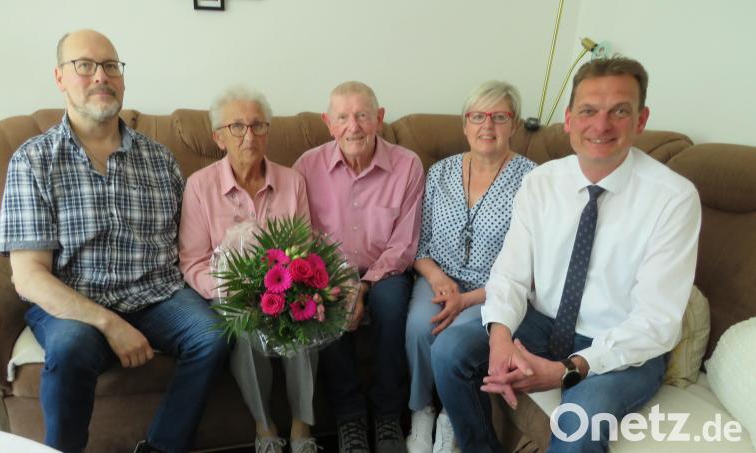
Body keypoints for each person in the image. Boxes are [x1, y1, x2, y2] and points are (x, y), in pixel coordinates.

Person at [432, 57, 701, 453]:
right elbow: (510, 274)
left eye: (619, 111)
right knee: (449, 352)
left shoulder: (674, 199)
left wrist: (567, 370)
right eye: (588, 111)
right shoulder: (541, 182)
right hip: (543, 321)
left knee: (579, 423)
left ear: (641, 120)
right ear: (569, 119)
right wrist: (500, 338)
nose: (601, 125)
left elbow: (656, 321)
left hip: (621, 343)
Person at [0, 30, 231, 453]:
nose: (101, 76)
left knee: (214, 334)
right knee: (70, 348)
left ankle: (162, 446)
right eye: (84, 66)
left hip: (156, 294)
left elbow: (193, 243)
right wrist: (110, 324)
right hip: (73, 300)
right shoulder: (32, 160)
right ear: (60, 77)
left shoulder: (159, 160)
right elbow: (29, 277)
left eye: (110, 66)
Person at [178, 85, 319, 453]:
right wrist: (229, 289)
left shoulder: (292, 182)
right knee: (242, 326)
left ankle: (302, 426)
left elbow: (304, 248)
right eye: (237, 126)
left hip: (284, 286)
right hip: (231, 290)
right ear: (218, 137)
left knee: (303, 318)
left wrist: (289, 286)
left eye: (258, 125)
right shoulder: (200, 186)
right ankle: (265, 425)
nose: (249, 136)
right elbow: (192, 261)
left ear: (268, 131)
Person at [404, 81, 536, 453]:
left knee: (456, 338)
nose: (487, 126)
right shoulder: (440, 172)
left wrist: (468, 299)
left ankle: (451, 415)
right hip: (439, 276)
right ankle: (421, 410)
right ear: (465, 124)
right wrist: (438, 278)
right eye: (478, 116)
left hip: (495, 287)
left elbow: (531, 268)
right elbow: (420, 245)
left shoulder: (532, 179)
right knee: (419, 327)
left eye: (499, 117)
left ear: (514, 124)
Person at [293, 81, 425, 453]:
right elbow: (301, 235)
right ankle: (349, 419)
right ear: (328, 123)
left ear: (379, 118)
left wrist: (364, 286)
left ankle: (387, 416)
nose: (353, 127)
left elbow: (404, 242)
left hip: (386, 271)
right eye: (342, 118)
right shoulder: (307, 166)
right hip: (326, 271)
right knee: (325, 304)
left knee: (390, 304)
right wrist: (336, 281)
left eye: (363, 115)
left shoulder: (407, 165)